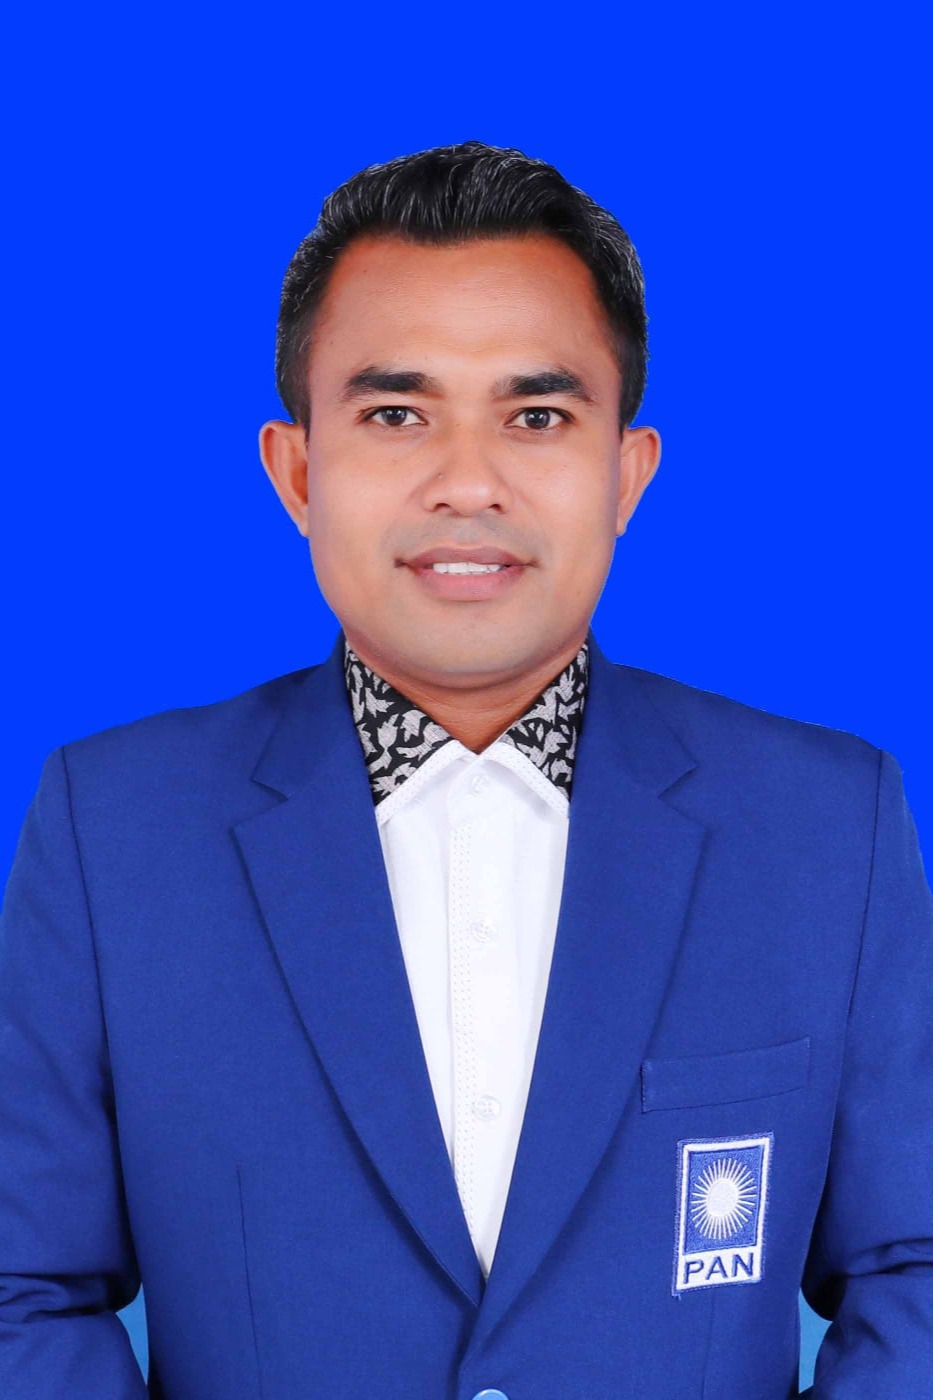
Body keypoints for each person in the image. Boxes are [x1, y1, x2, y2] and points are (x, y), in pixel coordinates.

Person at [1, 139, 931, 1399]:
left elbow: (913, 1268)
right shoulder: (115, 829)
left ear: (626, 473)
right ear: (297, 470)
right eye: (397, 414)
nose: (468, 482)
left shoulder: (828, 825)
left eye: (536, 415)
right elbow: (22, 1289)